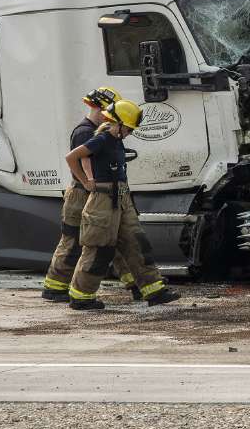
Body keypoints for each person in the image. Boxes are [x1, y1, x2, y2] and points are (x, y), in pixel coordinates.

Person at [65, 99, 180, 310]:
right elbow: (72, 157)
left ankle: (154, 290)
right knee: (98, 249)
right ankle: (81, 296)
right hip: (103, 200)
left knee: (137, 242)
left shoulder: (117, 140)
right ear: (117, 124)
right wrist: (85, 181)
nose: (130, 133)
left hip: (122, 198)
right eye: (128, 129)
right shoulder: (101, 139)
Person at [41, 87, 143, 303]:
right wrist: (88, 184)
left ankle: (135, 284)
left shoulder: (103, 133)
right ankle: (55, 288)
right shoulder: (85, 132)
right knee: (73, 243)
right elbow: (79, 161)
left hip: (100, 196)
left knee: (109, 241)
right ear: (100, 108)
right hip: (83, 195)